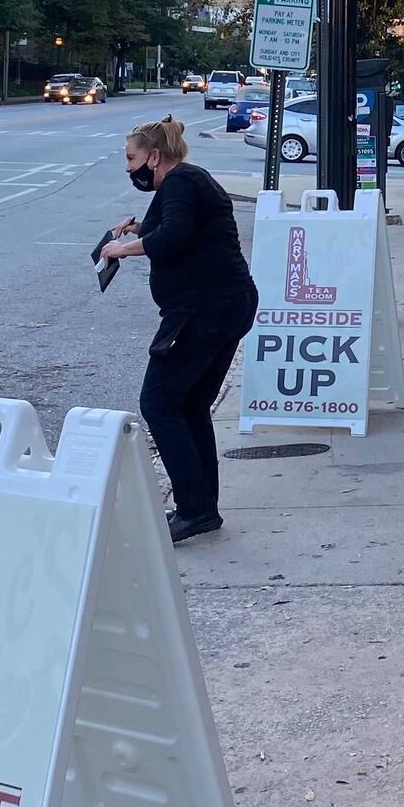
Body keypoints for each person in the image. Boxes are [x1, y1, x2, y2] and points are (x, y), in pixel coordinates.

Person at [99, 115, 257, 543]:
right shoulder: (182, 183)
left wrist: (124, 248)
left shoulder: (182, 182)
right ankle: (200, 507)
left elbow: (172, 235)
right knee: (188, 405)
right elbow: (169, 225)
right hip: (222, 304)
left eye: (132, 159)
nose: (129, 168)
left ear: (154, 156)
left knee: (160, 402)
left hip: (205, 309)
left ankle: (193, 508)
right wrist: (135, 228)